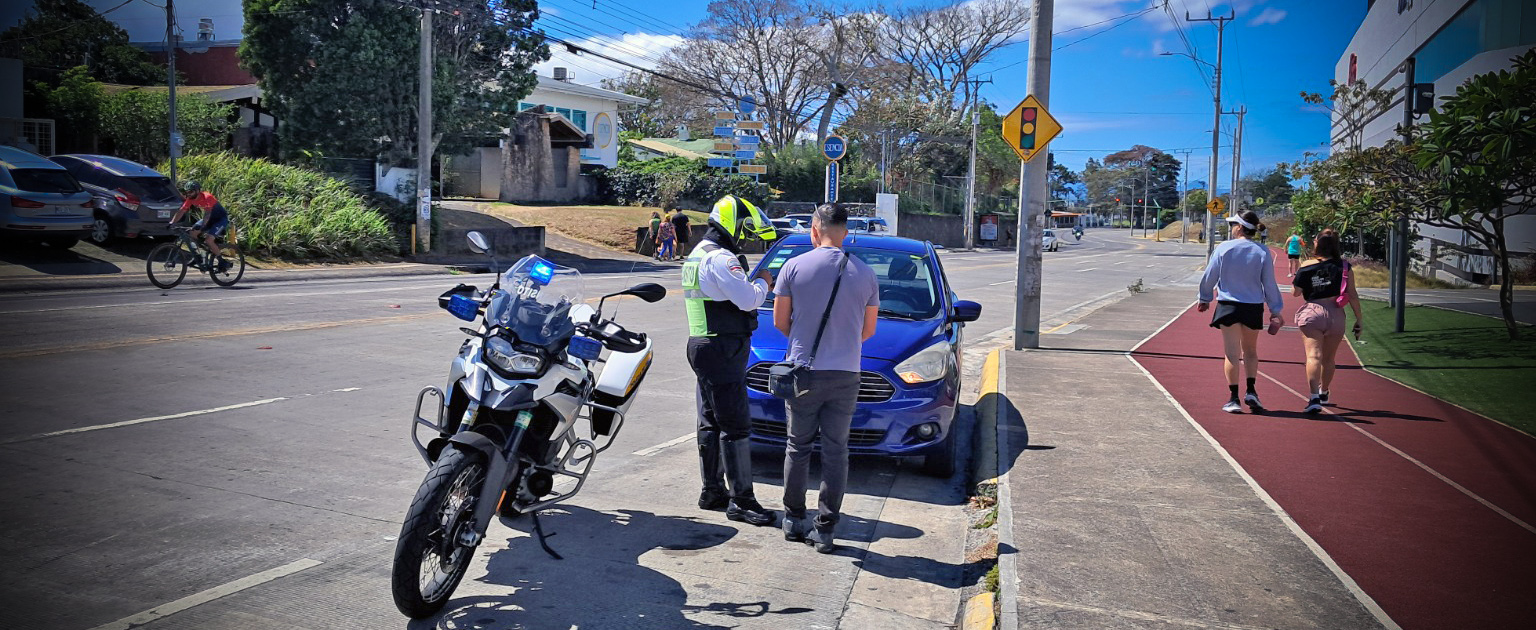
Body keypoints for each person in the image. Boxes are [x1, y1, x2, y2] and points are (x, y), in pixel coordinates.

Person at [773, 203, 879, 553]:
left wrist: (803, 342)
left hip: (802, 372)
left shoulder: (793, 267)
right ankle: (826, 528)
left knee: (797, 446)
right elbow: (868, 331)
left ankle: (793, 518)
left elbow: (780, 322)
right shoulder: (866, 274)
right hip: (846, 373)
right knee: (836, 451)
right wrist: (841, 345)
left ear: (814, 230)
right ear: (845, 232)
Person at [682, 195, 779, 527]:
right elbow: (749, 299)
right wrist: (764, 280)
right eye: (745, 231)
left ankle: (712, 491)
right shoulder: (721, 259)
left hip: (703, 343)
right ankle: (742, 501)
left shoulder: (698, 254)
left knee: (710, 420)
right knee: (736, 424)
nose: (746, 239)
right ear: (733, 225)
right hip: (722, 348)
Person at [1197, 211, 1284, 414]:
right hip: (1252, 306)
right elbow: (1269, 283)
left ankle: (1233, 398)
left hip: (1228, 306)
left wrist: (1204, 298)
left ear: (1239, 227)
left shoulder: (1224, 248)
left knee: (1231, 354)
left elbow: (1210, 275)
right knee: (1251, 351)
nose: (1231, 228)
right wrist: (1275, 309)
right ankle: (1251, 391)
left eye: (1233, 225)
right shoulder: (1262, 251)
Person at [1293, 229, 1362, 413]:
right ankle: (1324, 392)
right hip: (1336, 314)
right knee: (1329, 359)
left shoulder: (1307, 265)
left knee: (1313, 356)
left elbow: (1296, 292)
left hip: (1313, 312)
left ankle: (1313, 397)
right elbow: (1352, 295)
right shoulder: (1345, 267)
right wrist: (1359, 319)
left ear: (1317, 243)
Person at [170, 180, 233, 269]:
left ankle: (221, 261)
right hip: (209, 219)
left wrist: (202, 226)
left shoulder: (207, 197)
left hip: (220, 220)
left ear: (198, 191)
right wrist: (172, 222)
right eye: (187, 192)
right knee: (192, 233)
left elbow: (207, 213)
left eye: (191, 192)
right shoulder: (190, 199)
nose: (189, 194)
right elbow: (181, 211)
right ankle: (198, 256)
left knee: (209, 240)